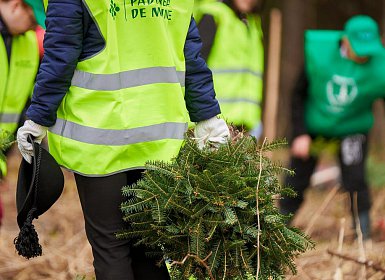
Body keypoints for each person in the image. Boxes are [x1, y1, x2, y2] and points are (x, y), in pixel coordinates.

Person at [16, 0, 229, 279]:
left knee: (111, 247)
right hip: (158, 136)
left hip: (98, 138)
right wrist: (208, 116)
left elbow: (61, 53)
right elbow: (189, 52)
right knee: (148, 249)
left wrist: (37, 117)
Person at [281, 15, 385, 239]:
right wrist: (300, 133)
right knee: (297, 177)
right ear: (345, 41)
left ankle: (363, 234)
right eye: (358, 48)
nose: (363, 55)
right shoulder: (321, 56)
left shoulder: (381, 68)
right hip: (315, 124)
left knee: (355, 178)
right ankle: (279, 226)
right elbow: (298, 95)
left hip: (352, 127)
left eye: (368, 50)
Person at [0, 0, 44, 228]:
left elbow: (21, 105)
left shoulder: (28, 42)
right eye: (32, 19)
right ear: (16, 6)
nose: (34, 27)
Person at [195, 0, 264, 137]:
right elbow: (195, 67)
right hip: (213, 123)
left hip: (245, 126)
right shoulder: (213, 15)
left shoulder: (252, 23)